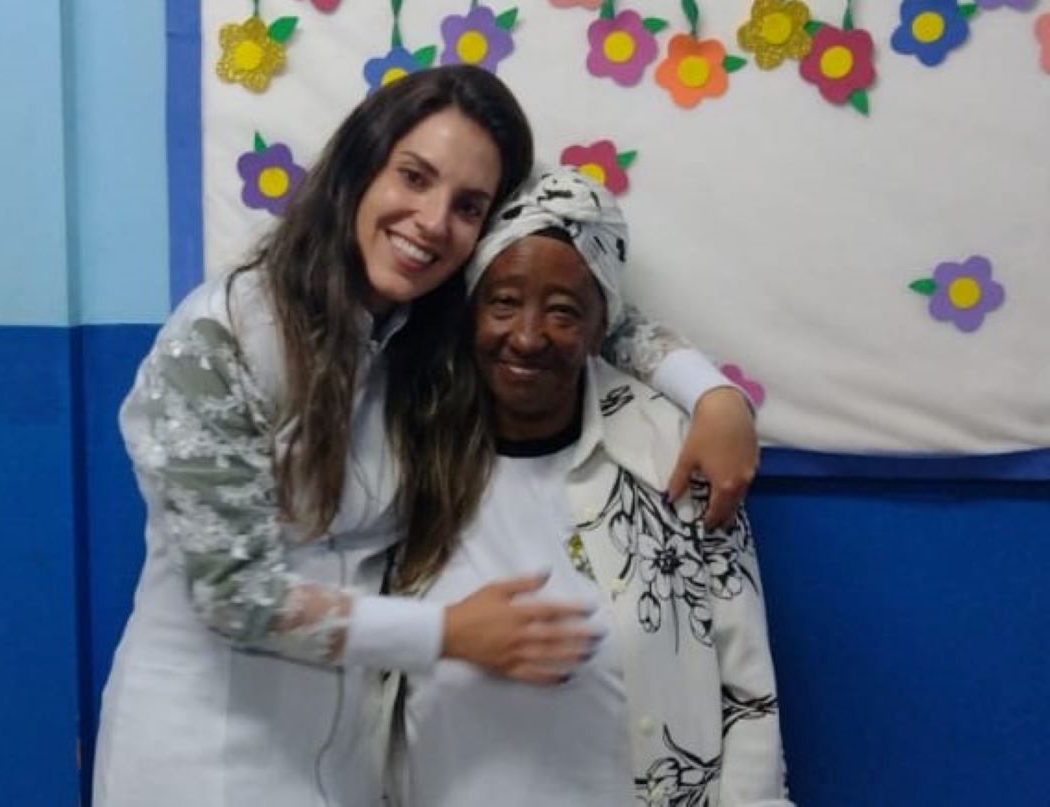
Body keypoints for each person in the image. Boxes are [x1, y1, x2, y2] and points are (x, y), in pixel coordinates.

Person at [93, 66, 757, 806]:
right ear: (359, 167)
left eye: (468, 206)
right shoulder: (218, 340)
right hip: (202, 756)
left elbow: (588, 293)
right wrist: (448, 634)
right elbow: (234, 596)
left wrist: (712, 394)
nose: (434, 222)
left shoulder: (412, 338)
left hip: (345, 768)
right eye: (414, 177)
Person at [394, 170, 790, 806]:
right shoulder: (400, 452)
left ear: (602, 325)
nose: (527, 336)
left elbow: (748, 692)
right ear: (469, 309)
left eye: (563, 312)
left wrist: (715, 396)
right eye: (503, 303)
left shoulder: (672, 451)